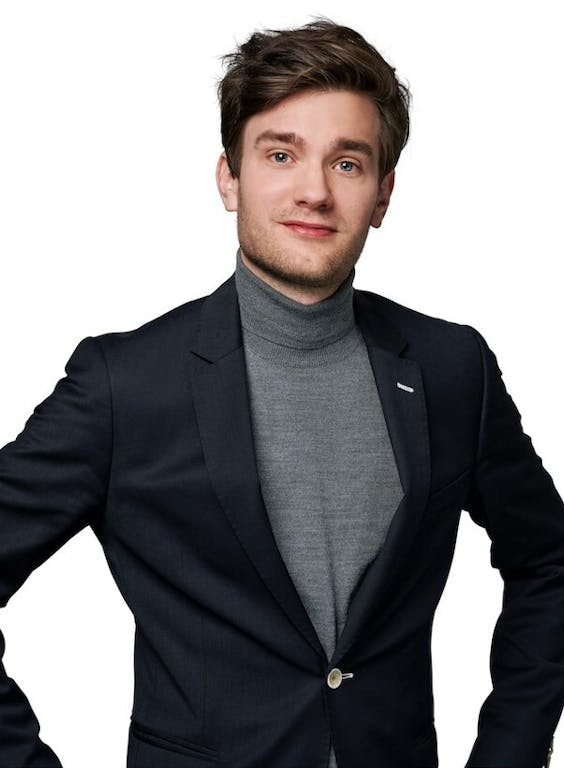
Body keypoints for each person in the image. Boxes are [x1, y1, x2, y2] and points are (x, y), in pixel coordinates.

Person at [0, 16, 563, 768]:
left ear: (383, 194)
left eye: (348, 163)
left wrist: (511, 753)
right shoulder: (124, 385)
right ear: (229, 178)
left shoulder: (452, 368)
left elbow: (549, 563)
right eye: (280, 154)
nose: (314, 191)